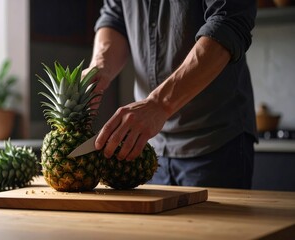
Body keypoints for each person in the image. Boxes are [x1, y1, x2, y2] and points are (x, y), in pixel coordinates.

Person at [84, 0, 258, 189]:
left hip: (215, 142)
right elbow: (115, 17)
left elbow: (228, 22)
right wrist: (100, 66)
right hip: (148, 147)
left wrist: (159, 104)